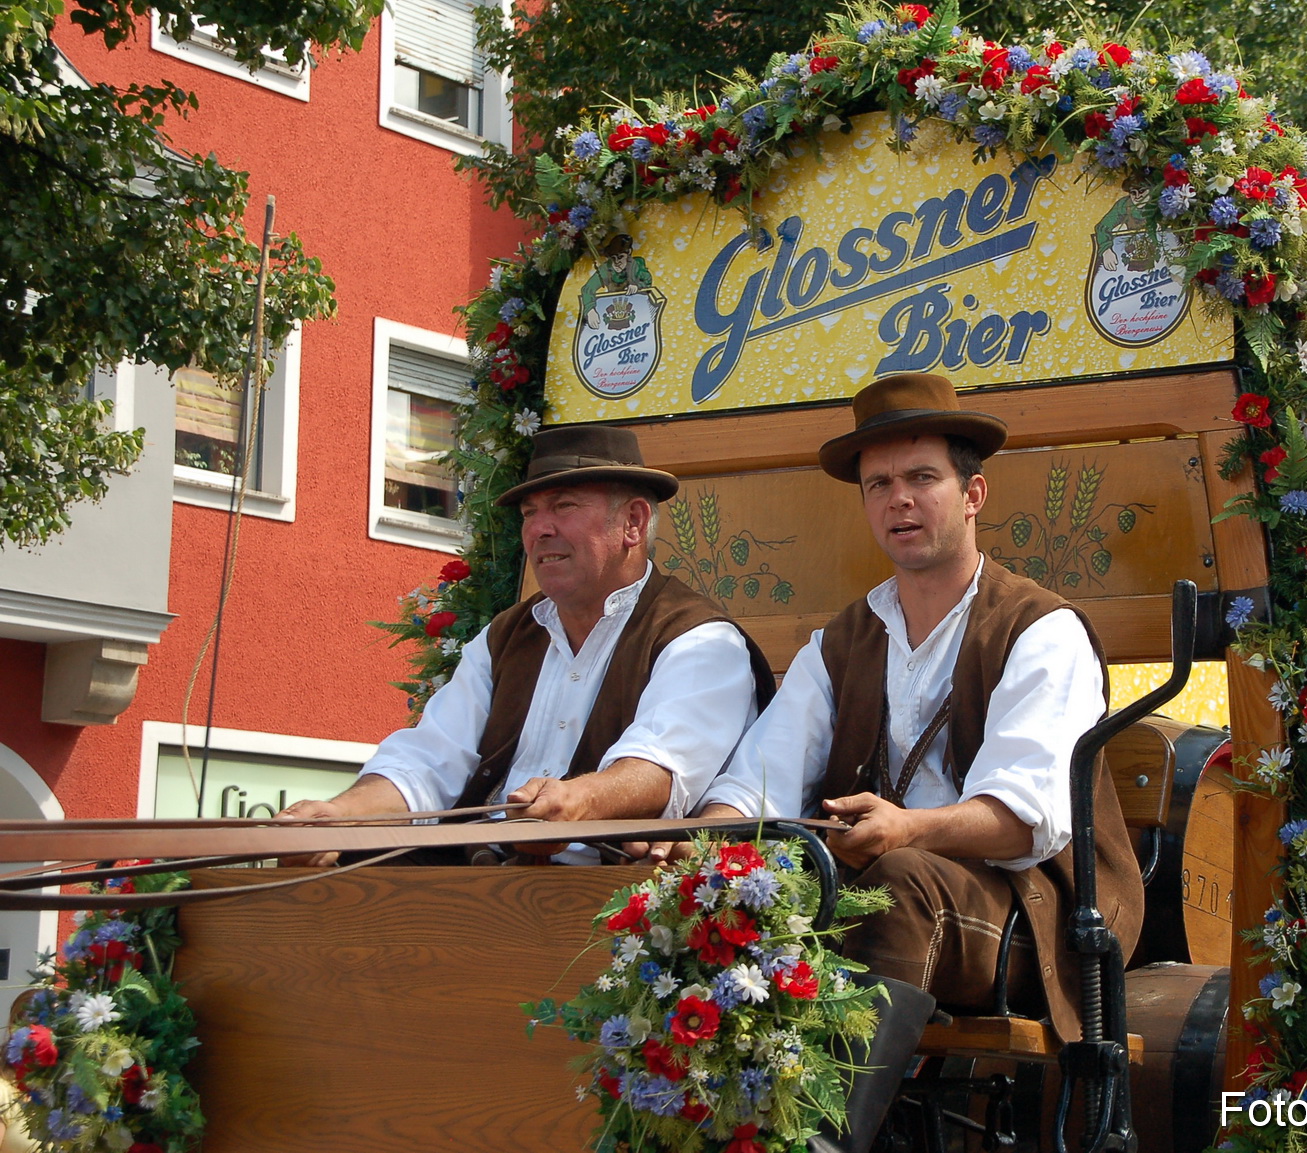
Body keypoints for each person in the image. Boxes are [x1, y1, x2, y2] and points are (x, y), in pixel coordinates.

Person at [683, 373, 1144, 1151]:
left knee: (897, 884)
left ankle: (819, 1139)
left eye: (922, 477)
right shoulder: (843, 639)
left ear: (973, 494)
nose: (899, 499)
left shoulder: (1041, 630)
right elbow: (754, 778)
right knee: (723, 889)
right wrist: (701, 844)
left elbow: (1020, 819)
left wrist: (906, 829)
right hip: (882, 899)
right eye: (879, 485)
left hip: (1034, 916)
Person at [281, 425, 773, 865]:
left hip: (609, 911)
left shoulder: (699, 639)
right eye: (530, 512)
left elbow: (658, 771)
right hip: (474, 891)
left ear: (634, 524)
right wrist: (339, 813)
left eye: (564, 506)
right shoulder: (503, 638)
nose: (539, 529)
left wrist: (578, 801)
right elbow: (426, 763)